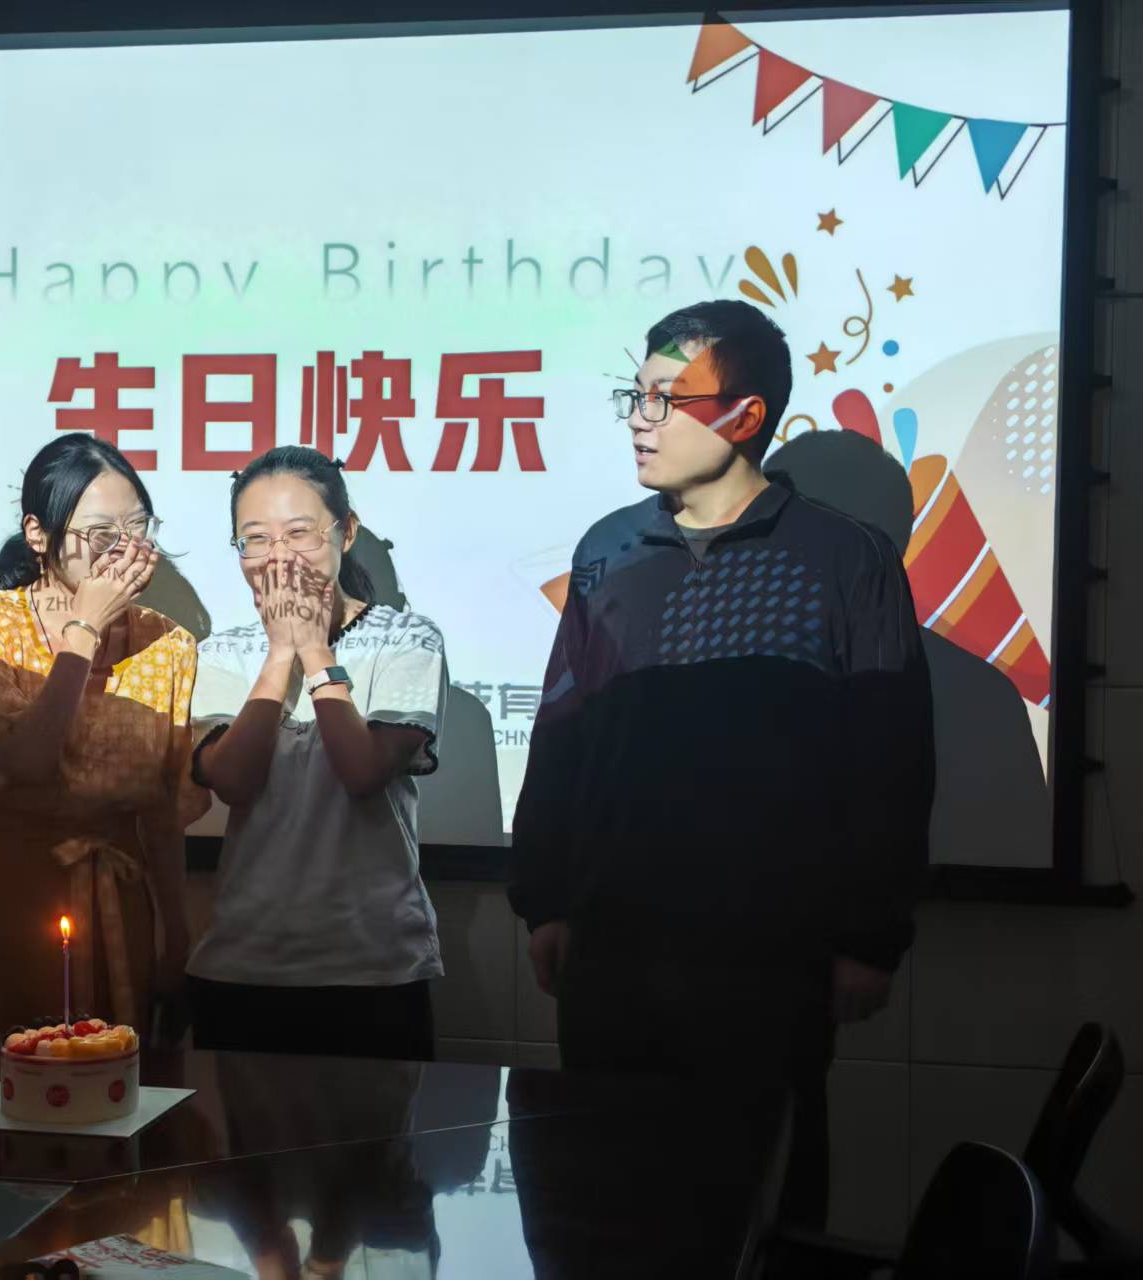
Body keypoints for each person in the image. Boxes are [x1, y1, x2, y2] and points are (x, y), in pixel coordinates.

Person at [508, 300, 934, 1227]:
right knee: (608, 1203)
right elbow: (564, 731)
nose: (640, 419)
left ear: (745, 417)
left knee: (759, 1201)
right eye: (635, 395)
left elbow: (891, 760)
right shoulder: (608, 549)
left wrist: (870, 937)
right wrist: (544, 897)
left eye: (667, 399)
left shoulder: (845, 560)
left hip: (768, 954)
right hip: (613, 948)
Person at [0, 433, 204, 1044]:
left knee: (109, 1079)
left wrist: (176, 937)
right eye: (101, 534)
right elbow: (25, 761)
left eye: (137, 528)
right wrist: (85, 630)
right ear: (38, 534)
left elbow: (161, 814)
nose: (123, 550)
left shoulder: (168, 645)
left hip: (117, 907)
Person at [189, 446, 447, 1062]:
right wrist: (281, 653)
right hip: (245, 962)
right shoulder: (222, 652)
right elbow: (233, 782)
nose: (278, 556)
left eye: (299, 532)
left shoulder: (407, 639)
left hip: (375, 965)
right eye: (255, 539)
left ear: (345, 531)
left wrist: (313, 651)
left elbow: (361, 770)